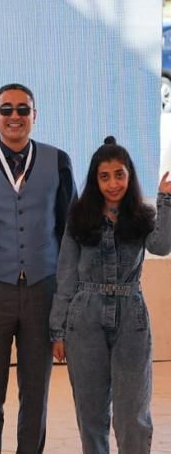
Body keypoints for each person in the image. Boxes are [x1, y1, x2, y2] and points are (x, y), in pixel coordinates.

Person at [0, 84, 77, 454]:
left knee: (36, 393)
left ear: (34, 116)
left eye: (22, 110)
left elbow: (69, 234)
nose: (14, 117)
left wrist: (67, 301)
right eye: (6, 109)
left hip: (44, 289)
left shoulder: (58, 160)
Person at [50, 137, 171, 454]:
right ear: (95, 179)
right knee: (91, 413)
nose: (113, 183)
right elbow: (66, 274)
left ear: (129, 175)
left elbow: (161, 246)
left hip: (131, 318)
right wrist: (57, 331)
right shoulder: (79, 218)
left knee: (133, 413)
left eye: (119, 175)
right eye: (105, 176)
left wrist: (166, 200)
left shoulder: (141, 216)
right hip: (84, 319)